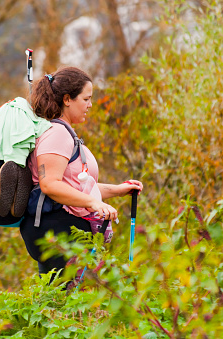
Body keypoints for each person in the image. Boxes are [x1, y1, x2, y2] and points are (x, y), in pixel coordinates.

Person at [20, 66, 143, 276]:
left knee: (59, 301)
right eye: (86, 99)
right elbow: (50, 184)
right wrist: (95, 203)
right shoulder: (57, 133)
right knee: (70, 302)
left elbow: (77, 187)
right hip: (57, 230)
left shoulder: (64, 132)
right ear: (67, 99)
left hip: (59, 229)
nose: (90, 105)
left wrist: (119, 190)